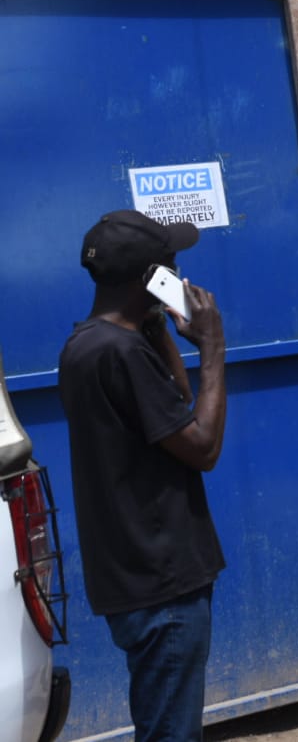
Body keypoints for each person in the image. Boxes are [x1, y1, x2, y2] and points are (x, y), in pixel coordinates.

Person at [58, 210, 227, 741]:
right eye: (172, 267)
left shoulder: (87, 344)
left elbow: (173, 405)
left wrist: (158, 329)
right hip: (163, 586)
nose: (180, 277)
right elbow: (201, 446)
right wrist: (214, 347)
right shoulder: (121, 353)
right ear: (150, 276)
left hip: (134, 580)